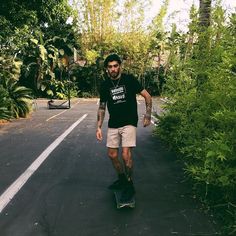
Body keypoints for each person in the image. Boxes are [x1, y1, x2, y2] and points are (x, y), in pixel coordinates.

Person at [96, 53, 152, 202]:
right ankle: (121, 179)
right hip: (114, 123)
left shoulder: (129, 80)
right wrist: (99, 127)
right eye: (110, 67)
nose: (113, 69)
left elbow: (147, 96)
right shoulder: (105, 85)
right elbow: (102, 107)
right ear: (106, 69)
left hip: (129, 122)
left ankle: (129, 183)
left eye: (115, 66)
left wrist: (148, 115)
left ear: (120, 66)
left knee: (126, 155)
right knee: (112, 155)